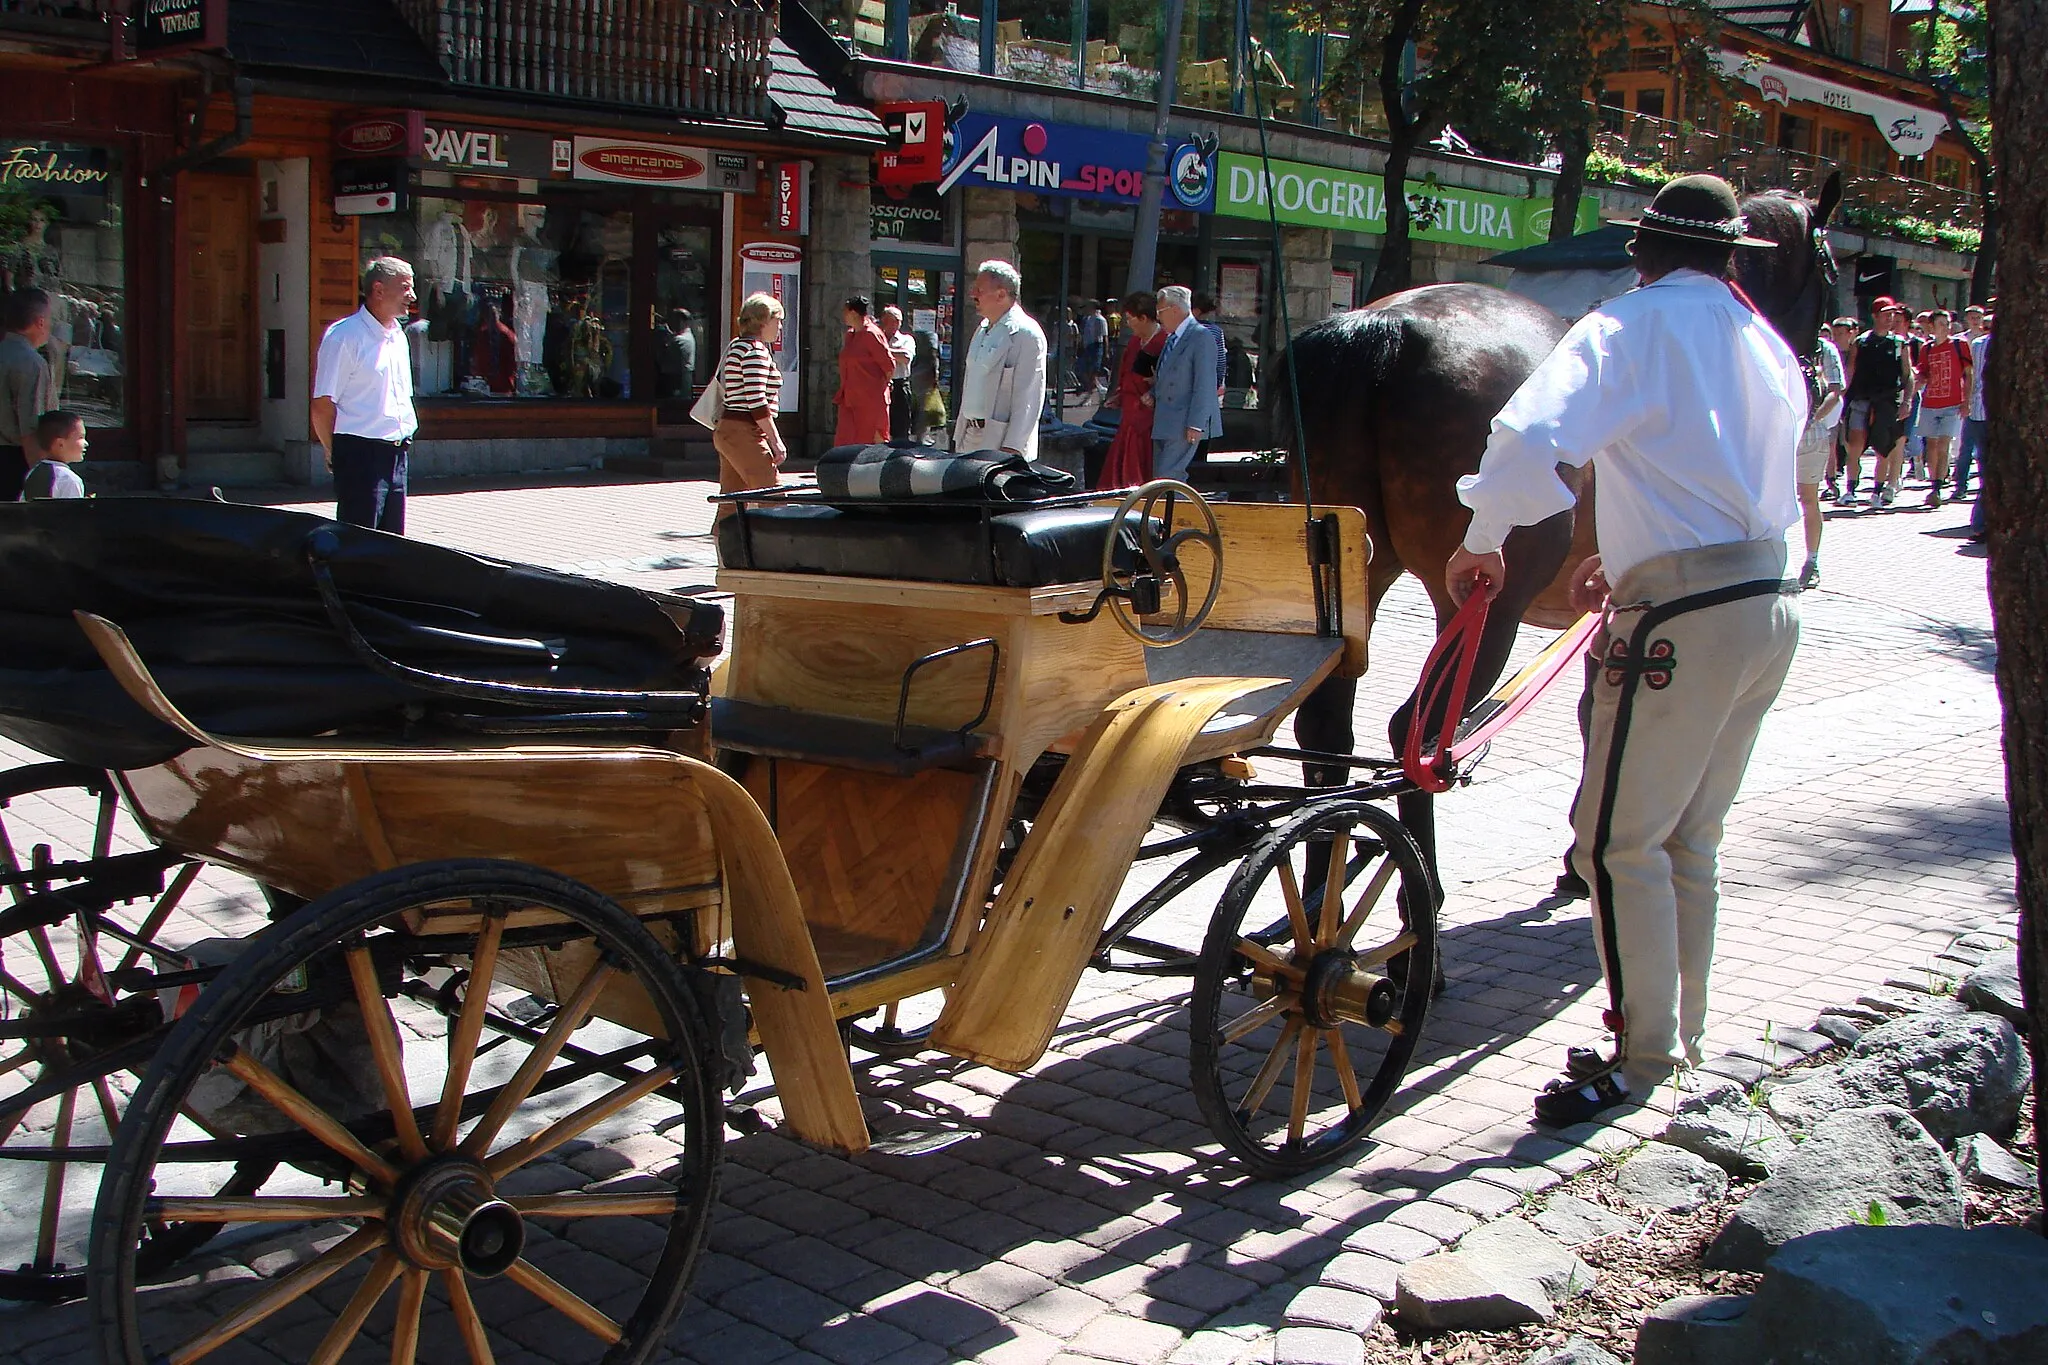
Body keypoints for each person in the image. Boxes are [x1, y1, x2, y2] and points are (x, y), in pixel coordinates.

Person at [1444, 174, 1805, 1127]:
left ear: (1641, 252)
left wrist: (1483, 537)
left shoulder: (1625, 326)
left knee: (1615, 841)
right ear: (1731, 255)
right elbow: (1748, 481)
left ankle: (1643, 1057)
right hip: (1764, 600)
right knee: (1691, 838)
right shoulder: (1766, 343)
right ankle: (1675, 1036)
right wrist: (1634, 554)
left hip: (1683, 622)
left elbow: (1528, 435)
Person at [313, 258, 419, 534]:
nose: (413, 296)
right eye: (405, 288)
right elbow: (323, 405)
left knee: (392, 545)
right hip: (361, 454)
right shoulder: (345, 336)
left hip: (397, 454)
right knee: (358, 543)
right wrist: (332, 451)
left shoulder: (398, 336)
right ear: (379, 290)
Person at [954, 260, 1046, 461]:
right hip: (969, 438)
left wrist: (1012, 449)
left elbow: (1029, 398)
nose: (973, 295)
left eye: (979, 289)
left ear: (1001, 294)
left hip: (1000, 444)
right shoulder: (982, 329)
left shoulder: (1026, 335)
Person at [713, 293, 787, 507]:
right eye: (778, 320)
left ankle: (725, 539)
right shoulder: (755, 351)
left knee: (732, 498)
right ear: (764, 321)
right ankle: (775, 540)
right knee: (772, 497)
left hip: (729, 430)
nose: (780, 327)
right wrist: (776, 441)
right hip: (745, 432)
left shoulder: (737, 345)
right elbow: (757, 402)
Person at [1841, 298, 1912, 512]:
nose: (1890, 318)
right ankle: (1851, 489)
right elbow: (1850, 372)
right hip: (1861, 399)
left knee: (1883, 449)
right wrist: (1842, 398)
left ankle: (1877, 492)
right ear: (1875, 315)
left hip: (1887, 402)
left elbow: (1908, 375)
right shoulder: (1861, 342)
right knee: (1855, 445)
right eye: (1885, 313)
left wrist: (1906, 401)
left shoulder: (1900, 344)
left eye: (1892, 314)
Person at [1149, 286, 1223, 482]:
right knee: (1162, 477)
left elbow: (1205, 384)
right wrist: (1152, 392)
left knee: (1169, 478)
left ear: (1175, 310)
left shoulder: (1201, 337)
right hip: (1165, 419)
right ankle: (1165, 512)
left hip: (1185, 421)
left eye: (1160, 312)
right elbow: (1168, 374)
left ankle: (1172, 513)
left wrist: (1196, 424)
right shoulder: (1172, 337)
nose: (1158, 318)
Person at [1097, 291, 1165, 489]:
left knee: (1140, 456)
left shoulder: (1164, 341)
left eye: (1130, 318)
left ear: (1143, 318)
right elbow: (1128, 372)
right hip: (1130, 410)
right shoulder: (1135, 341)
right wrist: (1118, 395)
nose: (1128, 323)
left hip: (1148, 414)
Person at [1794, 329, 1845, 589]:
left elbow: (1835, 391)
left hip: (1810, 436)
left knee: (1808, 499)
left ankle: (1812, 561)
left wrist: (1812, 418)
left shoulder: (1823, 349)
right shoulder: (1776, 338)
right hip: (1776, 435)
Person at [1, 287, 56, 504]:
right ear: (40, 322)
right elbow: (31, 426)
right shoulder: (31, 363)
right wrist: (42, 480)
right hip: (16, 460)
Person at [1912, 309, 1972, 508]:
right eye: (1941, 324)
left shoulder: (1959, 345)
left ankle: (1938, 486)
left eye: (1947, 323)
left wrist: (1967, 401)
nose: (1945, 328)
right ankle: (1933, 481)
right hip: (1930, 402)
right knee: (1931, 445)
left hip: (1952, 403)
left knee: (1944, 444)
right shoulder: (1926, 349)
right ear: (1931, 326)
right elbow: (1923, 374)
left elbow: (1968, 374)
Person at [833, 295, 894, 446]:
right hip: (850, 399)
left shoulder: (872, 334)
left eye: (845, 311)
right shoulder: (850, 335)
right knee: (846, 442)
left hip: (870, 401)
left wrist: (881, 387)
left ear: (854, 313)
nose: (843, 314)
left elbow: (889, 366)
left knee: (871, 443)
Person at [1956, 307, 1990, 502]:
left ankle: (1966, 485)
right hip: (1977, 405)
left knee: (1973, 449)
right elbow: (1970, 376)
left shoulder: (1977, 343)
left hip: (1977, 404)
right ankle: (1963, 484)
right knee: (1971, 449)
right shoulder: (1972, 343)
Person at [1824, 317, 1860, 501]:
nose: (1837, 337)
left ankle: (1851, 483)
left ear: (1851, 333)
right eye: (1835, 333)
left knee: (1849, 443)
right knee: (1831, 443)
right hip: (1834, 403)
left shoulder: (1857, 353)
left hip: (1853, 402)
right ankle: (1831, 482)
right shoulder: (1829, 354)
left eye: (1841, 333)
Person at [19, 408, 86, 500]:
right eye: (81, 437)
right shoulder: (69, 480)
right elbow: (72, 513)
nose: (86, 443)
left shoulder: (33, 472)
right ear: (60, 444)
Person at [880, 305, 916, 444]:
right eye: (889, 320)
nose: (893, 324)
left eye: (897, 321)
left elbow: (906, 357)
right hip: (881, 385)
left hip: (900, 385)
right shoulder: (878, 338)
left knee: (901, 426)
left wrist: (882, 351)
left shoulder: (906, 339)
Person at [1193, 293, 1228, 400]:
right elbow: (1220, 361)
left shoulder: (1184, 329)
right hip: (1206, 381)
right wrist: (1217, 382)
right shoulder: (1216, 331)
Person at [1079, 301, 1109, 392]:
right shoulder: (1087, 319)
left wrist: (1106, 352)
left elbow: (1105, 336)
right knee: (1084, 368)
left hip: (1097, 346)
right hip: (1087, 346)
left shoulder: (1101, 320)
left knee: (1094, 369)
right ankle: (1094, 386)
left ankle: (1093, 388)